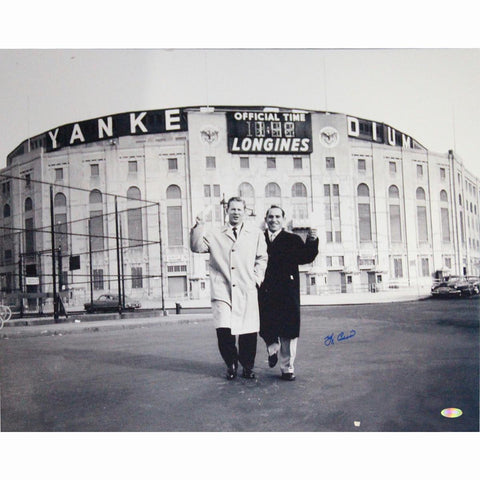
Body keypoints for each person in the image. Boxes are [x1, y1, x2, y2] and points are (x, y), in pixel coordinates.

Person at [190, 197, 268, 380]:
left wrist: (257, 279)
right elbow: (196, 247)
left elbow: (262, 258)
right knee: (223, 329)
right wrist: (199, 225)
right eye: (232, 209)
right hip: (222, 289)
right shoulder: (215, 233)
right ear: (227, 211)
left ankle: (247, 366)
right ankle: (231, 363)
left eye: (239, 209)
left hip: (246, 287)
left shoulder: (255, 233)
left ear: (245, 211)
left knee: (248, 331)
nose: (236, 212)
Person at [258, 205, 319, 381]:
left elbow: (306, 257)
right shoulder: (259, 240)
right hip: (265, 290)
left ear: (283, 220)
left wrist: (312, 239)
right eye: (270, 217)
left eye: (278, 217)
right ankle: (272, 347)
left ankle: (287, 368)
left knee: (288, 332)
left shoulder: (292, 240)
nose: (274, 220)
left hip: (287, 291)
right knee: (265, 324)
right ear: (266, 220)